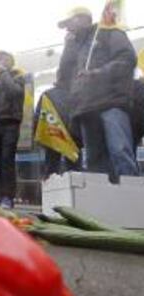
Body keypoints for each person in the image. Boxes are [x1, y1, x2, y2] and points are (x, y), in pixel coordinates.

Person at [58, 6, 139, 182]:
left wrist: (98, 73)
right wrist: (67, 47)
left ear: (84, 19)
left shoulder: (108, 32)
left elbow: (127, 58)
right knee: (94, 161)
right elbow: (62, 77)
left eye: (69, 22)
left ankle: (134, 199)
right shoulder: (74, 47)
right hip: (86, 109)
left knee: (119, 151)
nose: (67, 28)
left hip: (111, 102)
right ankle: (104, 201)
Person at [0, 51, 25, 208]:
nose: (0, 62)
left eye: (4, 59)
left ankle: (8, 197)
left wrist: (4, 74)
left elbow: (14, 92)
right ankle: (3, 195)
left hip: (10, 123)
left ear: (11, 61)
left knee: (7, 160)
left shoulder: (17, 76)